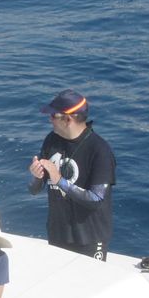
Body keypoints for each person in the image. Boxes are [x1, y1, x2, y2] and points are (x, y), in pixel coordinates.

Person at [27, 88, 115, 259]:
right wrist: (36, 177)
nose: (49, 120)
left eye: (53, 116)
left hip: (89, 238)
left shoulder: (100, 150)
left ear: (67, 119)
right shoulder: (51, 140)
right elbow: (34, 189)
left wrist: (60, 180)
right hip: (57, 233)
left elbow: (96, 199)